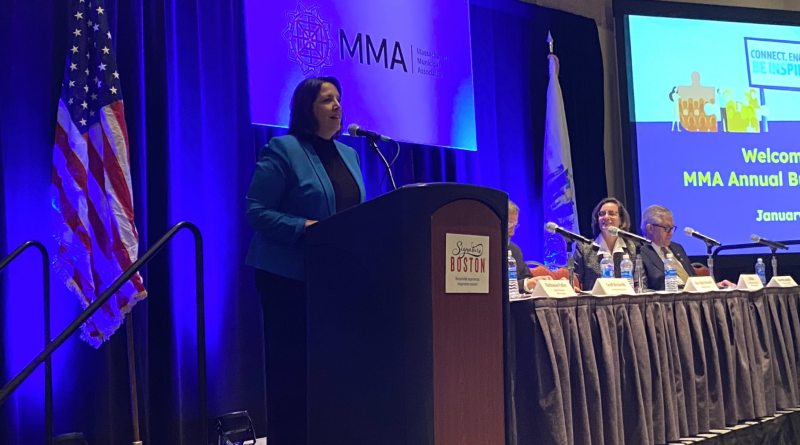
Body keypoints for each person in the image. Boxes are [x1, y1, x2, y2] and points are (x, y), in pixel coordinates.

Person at [245, 76, 366, 445]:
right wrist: (305, 227)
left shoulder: (350, 155)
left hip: (334, 281)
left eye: (338, 99)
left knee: (332, 371)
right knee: (291, 373)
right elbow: (256, 211)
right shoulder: (282, 149)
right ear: (306, 108)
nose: (337, 106)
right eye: (327, 100)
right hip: (287, 279)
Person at [640, 205, 734, 291]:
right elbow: (642, 289)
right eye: (667, 228)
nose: (671, 233)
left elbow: (693, 281)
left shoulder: (677, 248)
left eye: (672, 228)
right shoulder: (640, 252)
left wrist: (715, 287)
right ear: (650, 228)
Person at [574, 197, 647, 291]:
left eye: (612, 213)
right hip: (595, 300)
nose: (606, 217)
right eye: (602, 214)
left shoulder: (632, 247)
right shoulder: (584, 248)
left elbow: (640, 284)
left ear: (621, 220)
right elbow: (575, 280)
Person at [508, 200, 552, 292]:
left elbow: (527, 277)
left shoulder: (515, 250)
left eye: (515, 225)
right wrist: (525, 284)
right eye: (509, 224)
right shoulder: (487, 249)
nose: (512, 232)